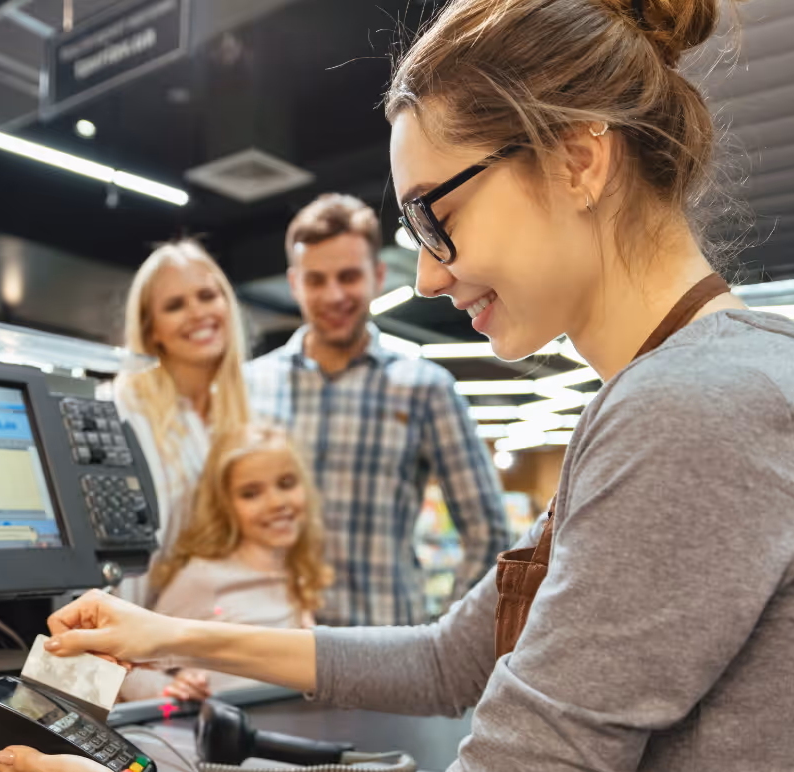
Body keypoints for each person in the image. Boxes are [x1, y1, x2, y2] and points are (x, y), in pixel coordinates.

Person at [0, 0, 794, 772]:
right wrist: (168, 636)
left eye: (435, 213)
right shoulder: (677, 390)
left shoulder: (696, 412)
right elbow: (450, 656)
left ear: (580, 160)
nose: (421, 270)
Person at [244, 192, 508, 627]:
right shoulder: (249, 387)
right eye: (315, 280)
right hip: (270, 651)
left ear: (378, 276)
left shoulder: (425, 388)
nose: (333, 295)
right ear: (294, 284)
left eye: (349, 276)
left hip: (386, 660)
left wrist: (445, 640)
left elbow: (489, 534)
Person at [119, 422, 331, 702]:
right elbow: (128, 666)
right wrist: (169, 690)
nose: (277, 502)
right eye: (251, 493)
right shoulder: (204, 580)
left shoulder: (297, 570)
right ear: (225, 505)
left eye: (286, 483)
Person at [111, 239, 250, 606]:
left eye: (207, 295)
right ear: (151, 328)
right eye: (174, 305)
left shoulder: (240, 415)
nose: (197, 313)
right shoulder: (122, 409)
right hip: (126, 639)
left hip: (197, 639)